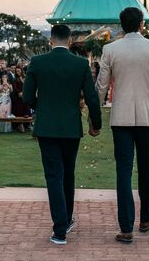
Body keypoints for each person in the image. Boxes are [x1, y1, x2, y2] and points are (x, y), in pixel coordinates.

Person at [96, 7, 149, 245]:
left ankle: (126, 227)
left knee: (123, 171)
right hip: (147, 118)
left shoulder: (110, 49)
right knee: (146, 168)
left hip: (121, 118)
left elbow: (101, 86)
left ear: (121, 25)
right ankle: (146, 217)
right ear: (141, 25)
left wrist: (96, 112)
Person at [22, 24, 102, 245]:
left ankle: (60, 229)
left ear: (51, 40)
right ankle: (64, 221)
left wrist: (43, 107)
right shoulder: (80, 64)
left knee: (54, 176)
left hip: (47, 127)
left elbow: (27, 96)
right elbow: (92, 97)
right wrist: (96, 124)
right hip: (70, 126)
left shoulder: (38, 63)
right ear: (69, 41)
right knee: (68, 173)